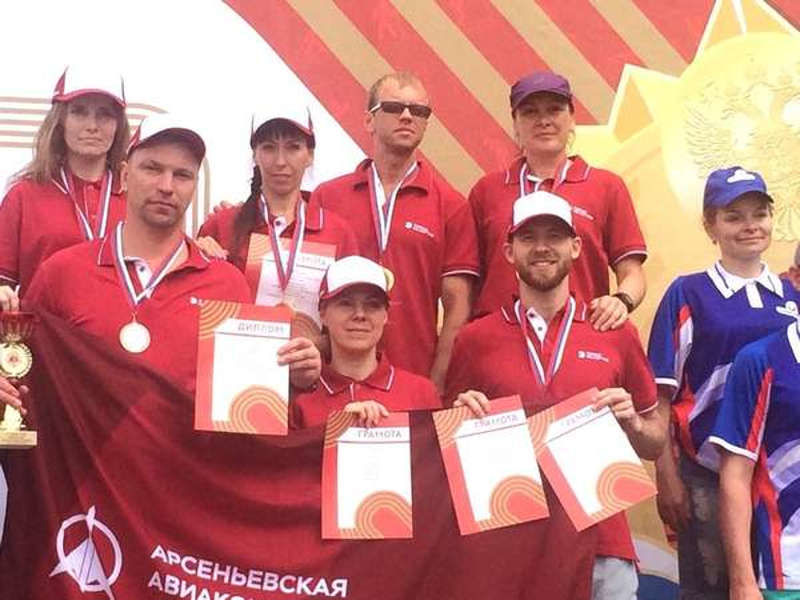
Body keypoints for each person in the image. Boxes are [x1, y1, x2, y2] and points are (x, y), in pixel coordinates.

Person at [0, 114, 321, 413]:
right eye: (152, 169)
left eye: (182, 175)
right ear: (125, 176)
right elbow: (22, 372)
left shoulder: (226, 285)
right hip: (84, 458)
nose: (166, 186)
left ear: (195, 185)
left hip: (186, 458)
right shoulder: (62, 273)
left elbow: (244, 409)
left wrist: (292, 379)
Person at [446, 191, 666, 600]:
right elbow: (449, 458)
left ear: (576, 247)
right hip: (510, 548)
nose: (542, 247)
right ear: (509, 251)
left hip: (602, 547)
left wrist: (634, 422)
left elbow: (655, 443)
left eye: (555, 236)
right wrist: (459, 422)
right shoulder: (476, 338)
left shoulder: (615, 332)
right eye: (529, 238)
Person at [647, 167, 800, 599]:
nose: (750, 226)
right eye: (734, 216)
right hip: (707, 471)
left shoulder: (791, 295)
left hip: (776, 475)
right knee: (713, 586)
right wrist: (668, 476)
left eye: (759, 214)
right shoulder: (688, 293)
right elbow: (660, 393)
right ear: (710, 226)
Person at [310, 72, 479, 391]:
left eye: (418, 111)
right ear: (369, 120)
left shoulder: (451, 205)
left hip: (413, 378)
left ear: (426, 124)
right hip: (334, 380)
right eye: (393, 107)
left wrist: (437, 381)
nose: (406, 116)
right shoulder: (327, 197)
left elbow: (457, 306)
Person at [468, 70, 646, 330]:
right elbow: (466, 286)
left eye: (554, 110)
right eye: (530, 112)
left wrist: (621, 301)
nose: (544, 121)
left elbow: (632, 272)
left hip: (581, 336)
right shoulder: (487, 191)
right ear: (515, 123)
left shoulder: (606, 187)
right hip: (500, 342)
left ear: (572, 118)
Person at [197, 106, 359, 344]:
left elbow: (351, 317)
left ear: (310, 155)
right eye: (269, 148)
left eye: (293, 147)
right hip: (239, 362)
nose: (280, 161)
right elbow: (198, 313)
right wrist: (199, 254)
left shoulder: (337, 232)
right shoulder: (222, 225)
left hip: (312, 365)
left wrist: (318, 346)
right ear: (255, 155)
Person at [0, 65, 130, 310]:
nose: (92, 125)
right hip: (43, 332)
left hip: (120, 334)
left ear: (118, 125)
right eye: (79, 112)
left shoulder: (135, 198)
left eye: (105, 114)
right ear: (60, 120)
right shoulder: (24, 195)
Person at [290, 255, 441, 429]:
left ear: (385, 316)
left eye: (372, 305)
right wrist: (339, 427)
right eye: (346, 304)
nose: (360, 314)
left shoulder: (421, 392)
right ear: (323, 313)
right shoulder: (299, 395)